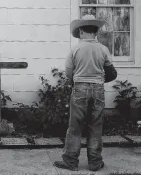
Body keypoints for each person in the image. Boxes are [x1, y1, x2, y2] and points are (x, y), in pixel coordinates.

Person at [53, 14, 118, 172]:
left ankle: (70, 161)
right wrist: (100, 80)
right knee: (96, 126)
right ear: (96, 32)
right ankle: (95, 163)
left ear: (81, 31)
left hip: (80, 88)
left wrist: (78, 79)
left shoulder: (75, 49)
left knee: (75, 126)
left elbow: (69, 73)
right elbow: (112, 72)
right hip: (98, 89)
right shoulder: (103, 49)